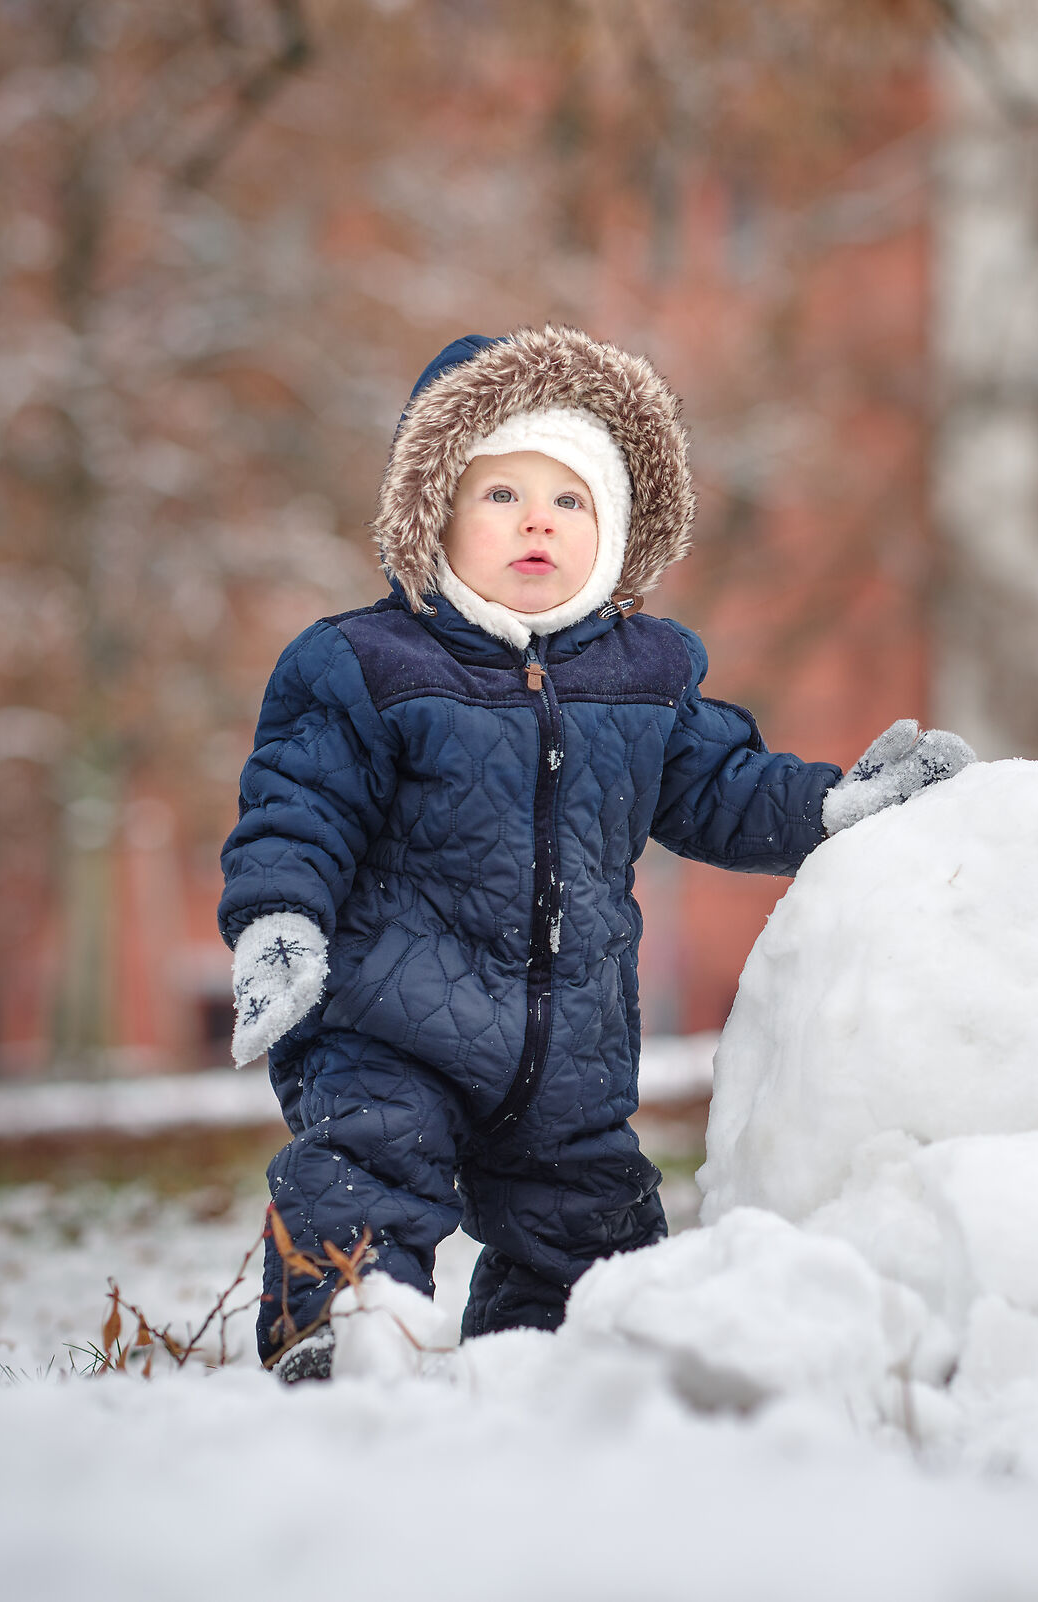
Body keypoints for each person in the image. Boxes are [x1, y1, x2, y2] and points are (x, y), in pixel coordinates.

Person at [219, 326, 972, 1381]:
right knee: (363, 1176)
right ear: (430, 511)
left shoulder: (646, 677)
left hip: (572, 1050)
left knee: (594, 1231)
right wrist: (279, 921)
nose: (539, 520)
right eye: (501, 493)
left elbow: (721, 785)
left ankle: (549, 1365)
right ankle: (340, 1340)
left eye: (571, 499)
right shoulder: (365, 666)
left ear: (615, 530)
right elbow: (299, 807)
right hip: (389, 1033)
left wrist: (836, 806)